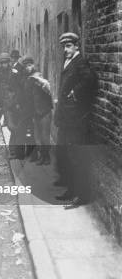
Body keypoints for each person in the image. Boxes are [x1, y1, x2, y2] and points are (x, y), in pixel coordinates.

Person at [54, 33, 97, 208]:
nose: (66, 50)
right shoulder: (69, 61)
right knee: (66, 154)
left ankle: (81, 196)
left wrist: (75, 93)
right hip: (66, 118)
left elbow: (91, 80)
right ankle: (71, 190)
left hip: (76, 119)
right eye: (64, 47)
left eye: (69, 46)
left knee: (77, 157)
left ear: (77, 46)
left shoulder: (81, 62)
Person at [21, 56, 53, 165]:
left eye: (29, 65)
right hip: (35, 112)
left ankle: (47, 157)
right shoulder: (27, 78)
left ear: (33, 65)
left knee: (45, 137)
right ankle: (42, 157)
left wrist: (38, 79)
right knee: (38, 137)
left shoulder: (38, 75)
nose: (28, 68)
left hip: (44, 110)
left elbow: (47, 87)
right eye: (26, 66)